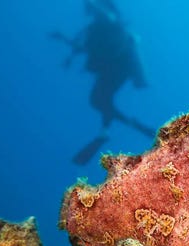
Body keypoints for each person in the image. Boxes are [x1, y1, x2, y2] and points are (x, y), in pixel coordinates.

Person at [50, 0, 154, 164]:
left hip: (120, 67)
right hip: (112, 69)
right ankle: (110, 130)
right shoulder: (94, 27)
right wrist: (63, 38)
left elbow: (110, 17)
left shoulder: (109, 17)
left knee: (100, 100)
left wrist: (92, 3)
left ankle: (112, 129)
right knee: (99, 101)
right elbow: (83, 47)